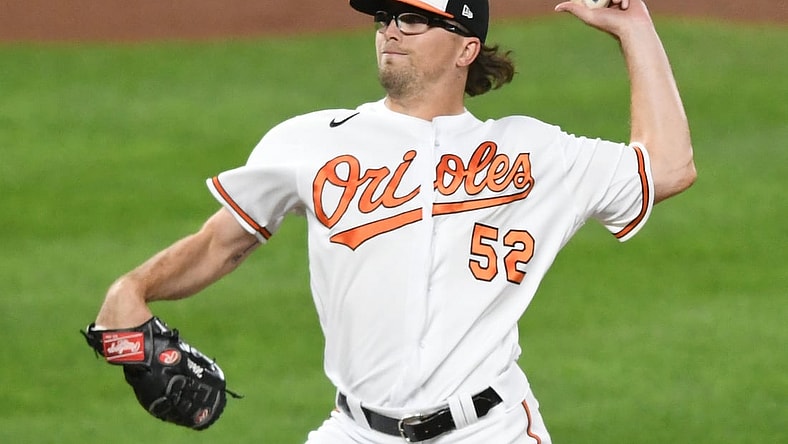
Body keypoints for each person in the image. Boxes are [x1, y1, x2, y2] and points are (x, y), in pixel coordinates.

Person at [91, 0, 696, 442]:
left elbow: (667, 167)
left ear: (465, 47)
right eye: (385, 16)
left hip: (491, 431)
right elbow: (219, 243)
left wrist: (633, 27)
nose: (390, 30)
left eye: (413, 18)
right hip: (354, 432)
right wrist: (132, 288)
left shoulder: (534, 154)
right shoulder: (309, 141)